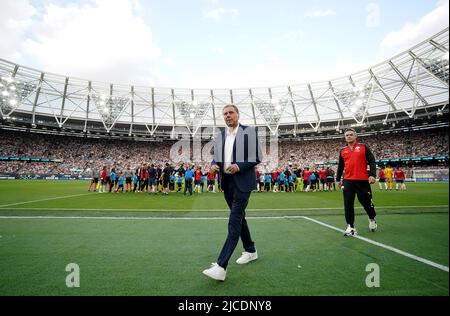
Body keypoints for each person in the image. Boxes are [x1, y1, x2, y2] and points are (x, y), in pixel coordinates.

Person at [202, 104, 262, 281]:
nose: (228, 116)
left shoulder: (248, 132)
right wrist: (214, 165)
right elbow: (216, 157)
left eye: (231, 113)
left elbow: (256, 157)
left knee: (234, 221)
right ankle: (250, 250)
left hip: (243, 183)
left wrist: (238, 166)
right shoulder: (220, 136)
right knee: (239, 218)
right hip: (227, 183)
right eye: (225, 114)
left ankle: (221, 266)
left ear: (237, 114)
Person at [336, 128, 378, 236]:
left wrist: (372, 175)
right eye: (347, 135)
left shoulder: (363, 148)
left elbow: (372, 161)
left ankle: (372, 218)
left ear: (355, 136)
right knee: (348, 204)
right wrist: (338, 179)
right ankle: (351, 226)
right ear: (345, 137)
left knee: (367, 203)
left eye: (351, 134)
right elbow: (340, 167)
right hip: (348, 181)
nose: (349, 136)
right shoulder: (342, 151)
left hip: (362, 180)